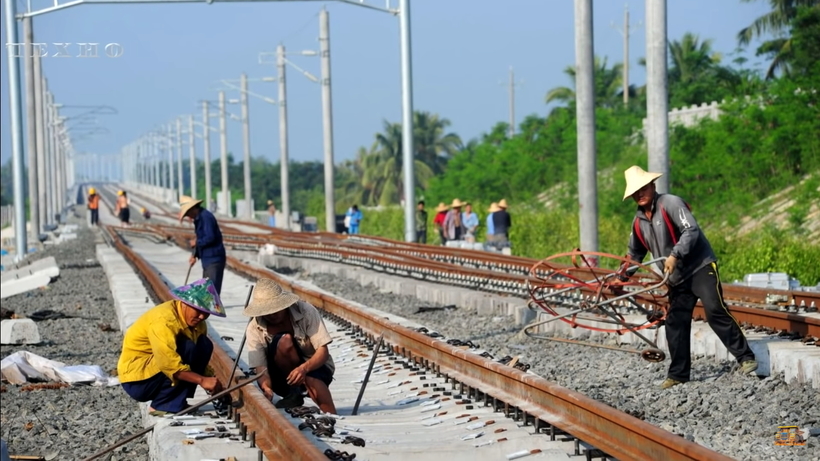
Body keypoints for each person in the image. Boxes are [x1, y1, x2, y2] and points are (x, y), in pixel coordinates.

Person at [619, 165, 758, 389]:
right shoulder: (638, 222)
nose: (640, 194)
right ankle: (678, 375)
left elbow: (690, 230)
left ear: (652, 186)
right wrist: (621, 277)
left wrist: (674, 255)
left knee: (714, 309)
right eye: (636, 192)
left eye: (643, 188)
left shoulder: (671, 204)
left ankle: (746, 358)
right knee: (675, 322)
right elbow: (634, 253)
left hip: (700, 266)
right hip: (677, 278)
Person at [117, 278, 227, 415]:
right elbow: (167, 363)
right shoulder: (164, 321)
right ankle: (163, 405)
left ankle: (176, 402)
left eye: (206, 313)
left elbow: (198, 357)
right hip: (138, 380)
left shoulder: (198, 323)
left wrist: (213, 382)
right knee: (188, 348)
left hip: (155, 373)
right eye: (198, 310)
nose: (201, 316)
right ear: (185, 303)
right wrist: (202, 380)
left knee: (204, 345)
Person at [244, 278, 337, 414]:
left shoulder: (306, 311)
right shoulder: (254, 328)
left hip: (315, 367)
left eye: (275, 310)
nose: (272, 315)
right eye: (267, 312)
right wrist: (266, 388)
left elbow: (323, 351)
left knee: (311, 379)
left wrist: (304, 369)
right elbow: (261, 368)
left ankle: (333, 416)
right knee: (284, 340)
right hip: (281, 378)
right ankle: (293, 395)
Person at [179, 195, 227, 295]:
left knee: (211, 293)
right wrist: (195, 255)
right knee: (207, 291)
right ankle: (209, 310)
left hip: (214, 259)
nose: (188, 216)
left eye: (188, 213)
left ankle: (215, 311)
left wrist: (196, 242)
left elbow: (210, 237)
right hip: (208, 259)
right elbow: (202, 237)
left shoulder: (206, 217)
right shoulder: (199, 219)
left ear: (192, 209)